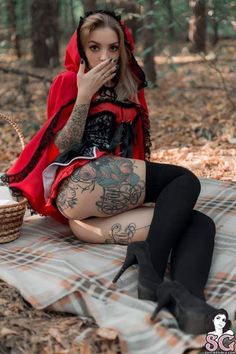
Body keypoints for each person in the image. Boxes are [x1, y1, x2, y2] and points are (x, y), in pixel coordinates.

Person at [2, 10, 217, 335]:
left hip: (91, 221)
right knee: (184, 180)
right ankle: (151, 268)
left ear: (123, 49)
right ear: (81, 49)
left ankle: (188, 298)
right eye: (95, 48)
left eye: (113, 48)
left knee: (198, 221)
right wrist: (84, 95)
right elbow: (61, 145)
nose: (105, 57)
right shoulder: (67, 81)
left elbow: (134, 157)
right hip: (78, 185)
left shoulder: (129, 87)